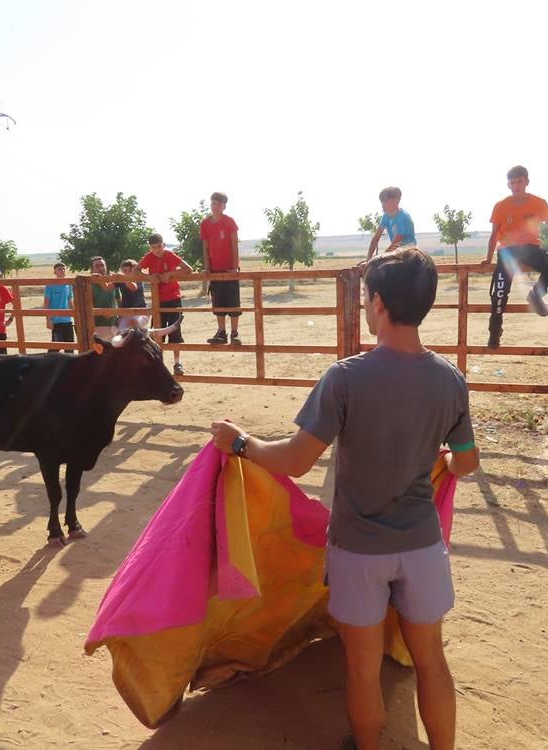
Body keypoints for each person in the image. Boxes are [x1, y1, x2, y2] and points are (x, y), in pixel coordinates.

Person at [210, 247, 480, 750]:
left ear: (377, 303)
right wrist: (441, 455)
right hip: (422, 547)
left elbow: (295, 461)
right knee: (431, 660)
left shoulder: (347, 377)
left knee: (361, 667)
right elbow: (465, 463)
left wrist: (241, 443)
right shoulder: (450, 379)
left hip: (359, 550)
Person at [484, 165, 548, 349]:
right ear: (508, 185)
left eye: (519, 181)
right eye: (512, 182)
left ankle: (535, 295)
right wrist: (488, 259)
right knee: (499, 295)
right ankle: (495, 332)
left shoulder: (538, 203)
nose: (516, 185)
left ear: (526, 181)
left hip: (529, 249)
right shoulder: (501, 206)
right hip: (507, 253)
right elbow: (494, 234)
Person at [137, 234, 191, 376]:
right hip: (157, 300)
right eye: (154, 247)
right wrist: (148, 277)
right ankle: (157, 364)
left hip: (173, 299)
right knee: (157, 333)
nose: (157, 250)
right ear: (150, 248)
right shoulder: (149, 257)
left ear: (164, 244)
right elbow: (136, 270)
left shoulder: (170, 255)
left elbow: (188, 269)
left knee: (175, 332)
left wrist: (170, 274)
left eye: (159, 246)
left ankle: (177, 363)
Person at [200, 191, 243, 345]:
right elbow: (205, 247)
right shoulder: (205, 224)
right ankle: (221, 333)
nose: (215, 206)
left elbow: (234, 245)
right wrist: (206, 267)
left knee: (233, 302)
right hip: (215, 270)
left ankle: (235, 333)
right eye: (213, 203)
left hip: (230, 270)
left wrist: (235, 267)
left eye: (219, 204)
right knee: (218, 302)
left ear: (224, 206)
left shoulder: (229, 221)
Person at [366, 186, 416, 260]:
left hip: (408, 250)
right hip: (396, 250)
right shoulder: (386, 216)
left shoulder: (403, 217)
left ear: (396, 201)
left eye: (385, 201)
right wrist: (368, 258)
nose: (382, 205)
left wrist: (379, 258)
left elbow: (396, 243)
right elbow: (376, 238)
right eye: (382, 202)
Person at [44, 262, 75, 353]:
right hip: (56, 322)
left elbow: (70, 301)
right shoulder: (50, 285)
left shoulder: (68, 285)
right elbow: (46, 303)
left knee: (70, 347)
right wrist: (48, 320)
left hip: (68, 321)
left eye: (64, 269)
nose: (62, 270)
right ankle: (48, 364)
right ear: (55, 272)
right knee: (56, 346)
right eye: (59, 269)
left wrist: (75, 316)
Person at [89, 256, 120, 341]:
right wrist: (102, 312)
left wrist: (117, 314)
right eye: (97, 266)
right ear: (92, 269)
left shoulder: (112, 283)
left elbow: (119, 301)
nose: (100, 268)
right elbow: (87, 305)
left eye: (102, 265)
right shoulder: (89, 285)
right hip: (97, 326)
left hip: (114, 325)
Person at [117, 258, 149, 332]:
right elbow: (107, 288)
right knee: (120, 333)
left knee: (133, 324)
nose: (127, 273)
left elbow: (133, 288)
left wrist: (123, 277)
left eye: (130, 271)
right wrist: (98, 278)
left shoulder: (138, 279)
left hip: (141, 312)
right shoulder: (121, 279)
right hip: (126, 313)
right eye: (124, 271)